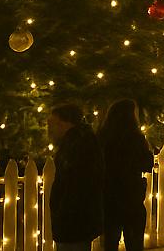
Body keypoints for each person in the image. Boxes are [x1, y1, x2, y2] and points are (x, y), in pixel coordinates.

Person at [98, 100, 153, 251]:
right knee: (134, 242)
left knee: (110, 242)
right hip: (131, 196)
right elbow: (146, 164)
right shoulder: (135, 138)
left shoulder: (103, 137)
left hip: (109, 197)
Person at [49, 103, 105, 251]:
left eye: (53, 124)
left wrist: (63, 211)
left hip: (74, 219)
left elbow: (77, 184)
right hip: (74, 218)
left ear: (65, 123)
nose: (50, 129)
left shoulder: (77, 146)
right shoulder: (78, 142)